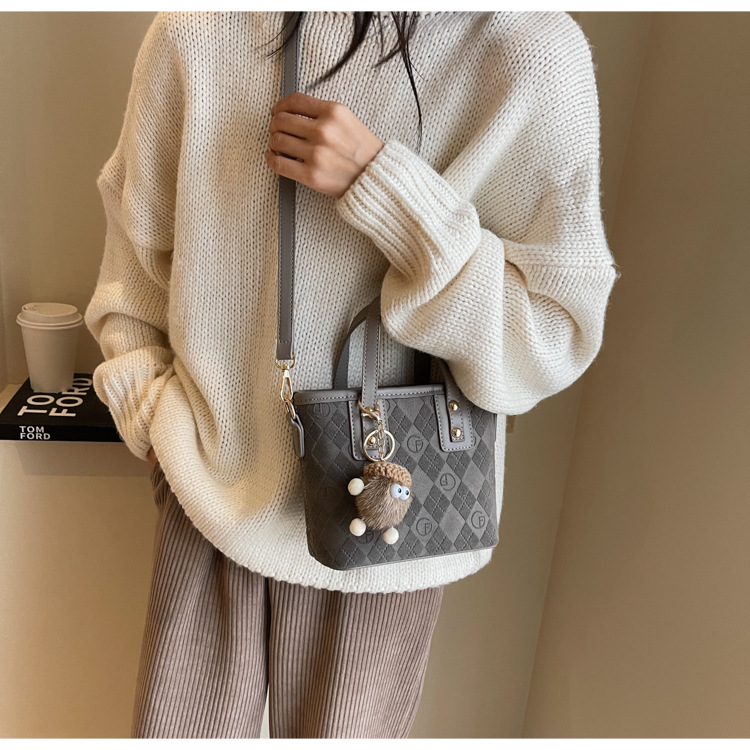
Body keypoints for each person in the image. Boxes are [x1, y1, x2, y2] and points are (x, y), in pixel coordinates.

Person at [84, 11, 619, 739]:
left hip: (392, 518)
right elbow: (134, 273)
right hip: (206, 489)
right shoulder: (200, 30)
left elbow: (549, 341)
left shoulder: (529, 52)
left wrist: (392, 196)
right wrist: (152, 421)